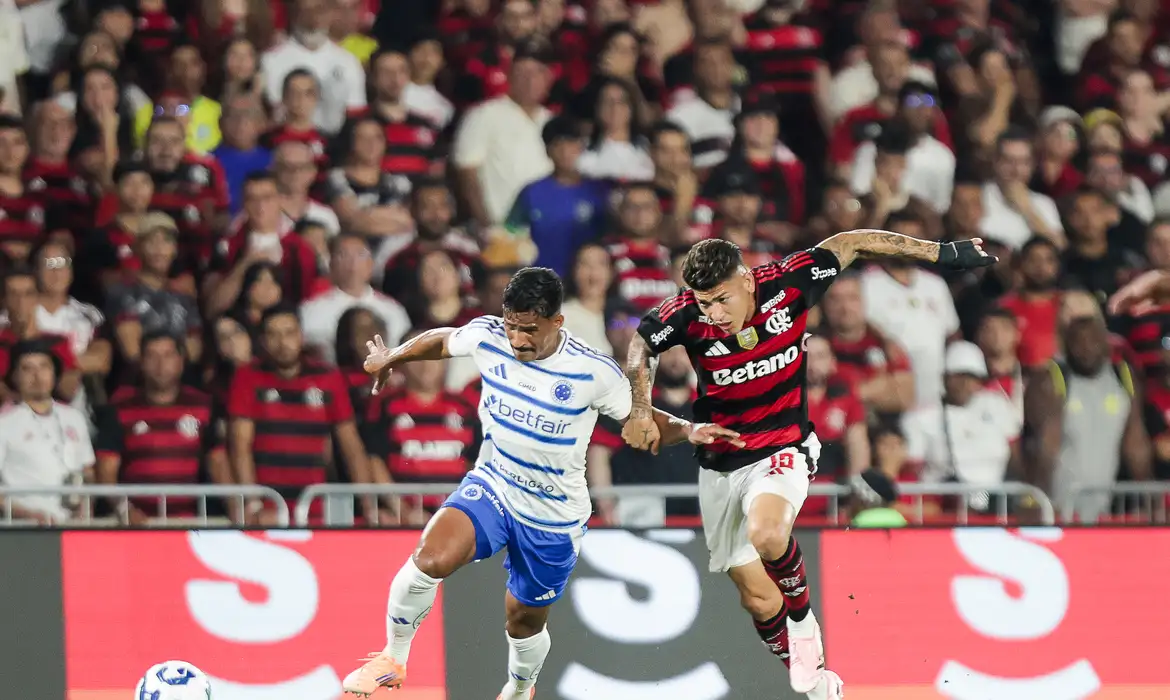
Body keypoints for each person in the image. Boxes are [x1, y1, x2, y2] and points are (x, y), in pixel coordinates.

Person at [625, 231, 996, 696]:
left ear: (744, 279)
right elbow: (642, 345)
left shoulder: (790, 283)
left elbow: (853, 241)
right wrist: (641, 407)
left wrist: (938, 252)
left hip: (784, 447)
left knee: (768, 534)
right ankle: (819, 683)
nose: (714, 315)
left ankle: (803, 625)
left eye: (721, 300)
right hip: (721, 464)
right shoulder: (686, 314)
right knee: (758, 599)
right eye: (704, 303)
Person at [344, 267, 742, 700]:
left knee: (523, 621)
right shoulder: (489, 335)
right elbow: (444, 340)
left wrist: (688, 430)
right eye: (511, 327)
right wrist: (395, 355)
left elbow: (641, 419)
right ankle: (392, 660)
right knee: (429, 559)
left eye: (529, 330)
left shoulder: (594, 373)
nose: (517, 340)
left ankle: (520, 689)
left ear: (557, 322)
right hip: (494, 485)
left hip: (553, 516)